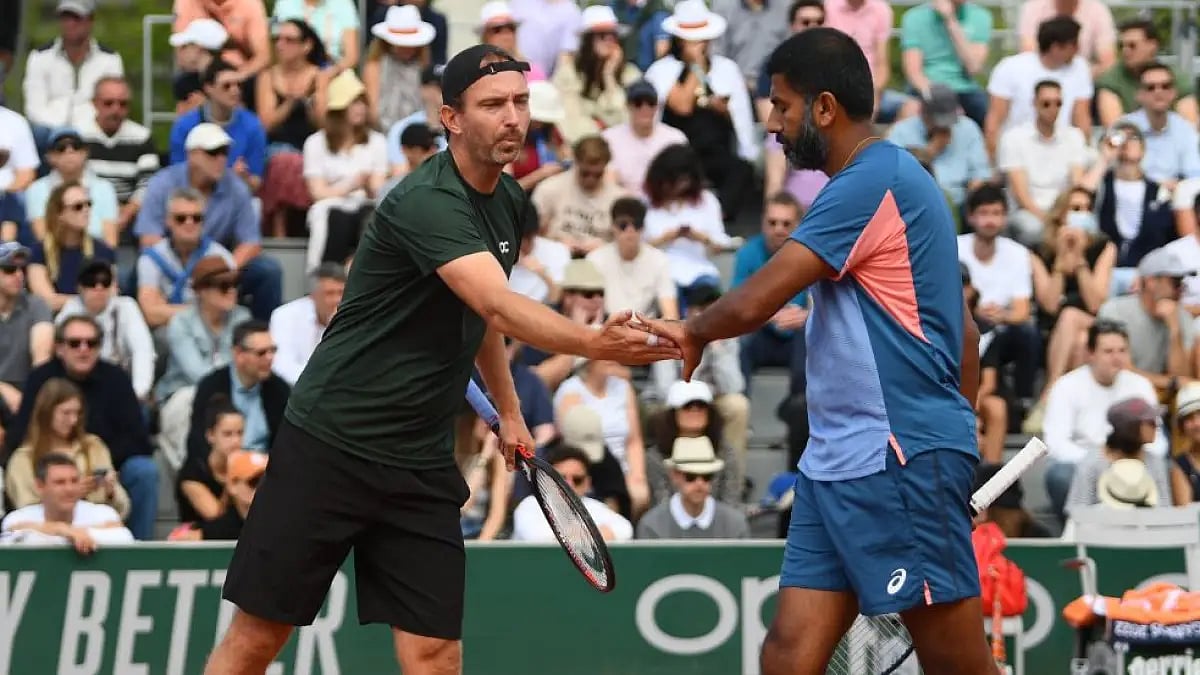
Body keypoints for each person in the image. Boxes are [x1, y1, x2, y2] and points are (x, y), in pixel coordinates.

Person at [204, 43, 679, 675]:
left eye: (520, 101)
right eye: (492, 105)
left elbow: (479, 316)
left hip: (419, 461)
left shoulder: (509, 201)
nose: (512, 117)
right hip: (332, 442)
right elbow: (501, 305)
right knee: (258, 638)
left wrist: (510, 411)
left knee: (434, 654)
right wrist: (591, 341)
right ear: (452, 119)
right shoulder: (425, 200)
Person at [638, 29, 990, 674]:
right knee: (787, 656)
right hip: (835, 464)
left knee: (958, 666)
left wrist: (690, 333)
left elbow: (754, 301)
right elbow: (965, 336)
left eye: (781, 105)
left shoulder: (871, 180)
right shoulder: (885, 180)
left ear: (824, 108)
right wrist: (957, 440)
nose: (771, 123)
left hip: (897, 454)